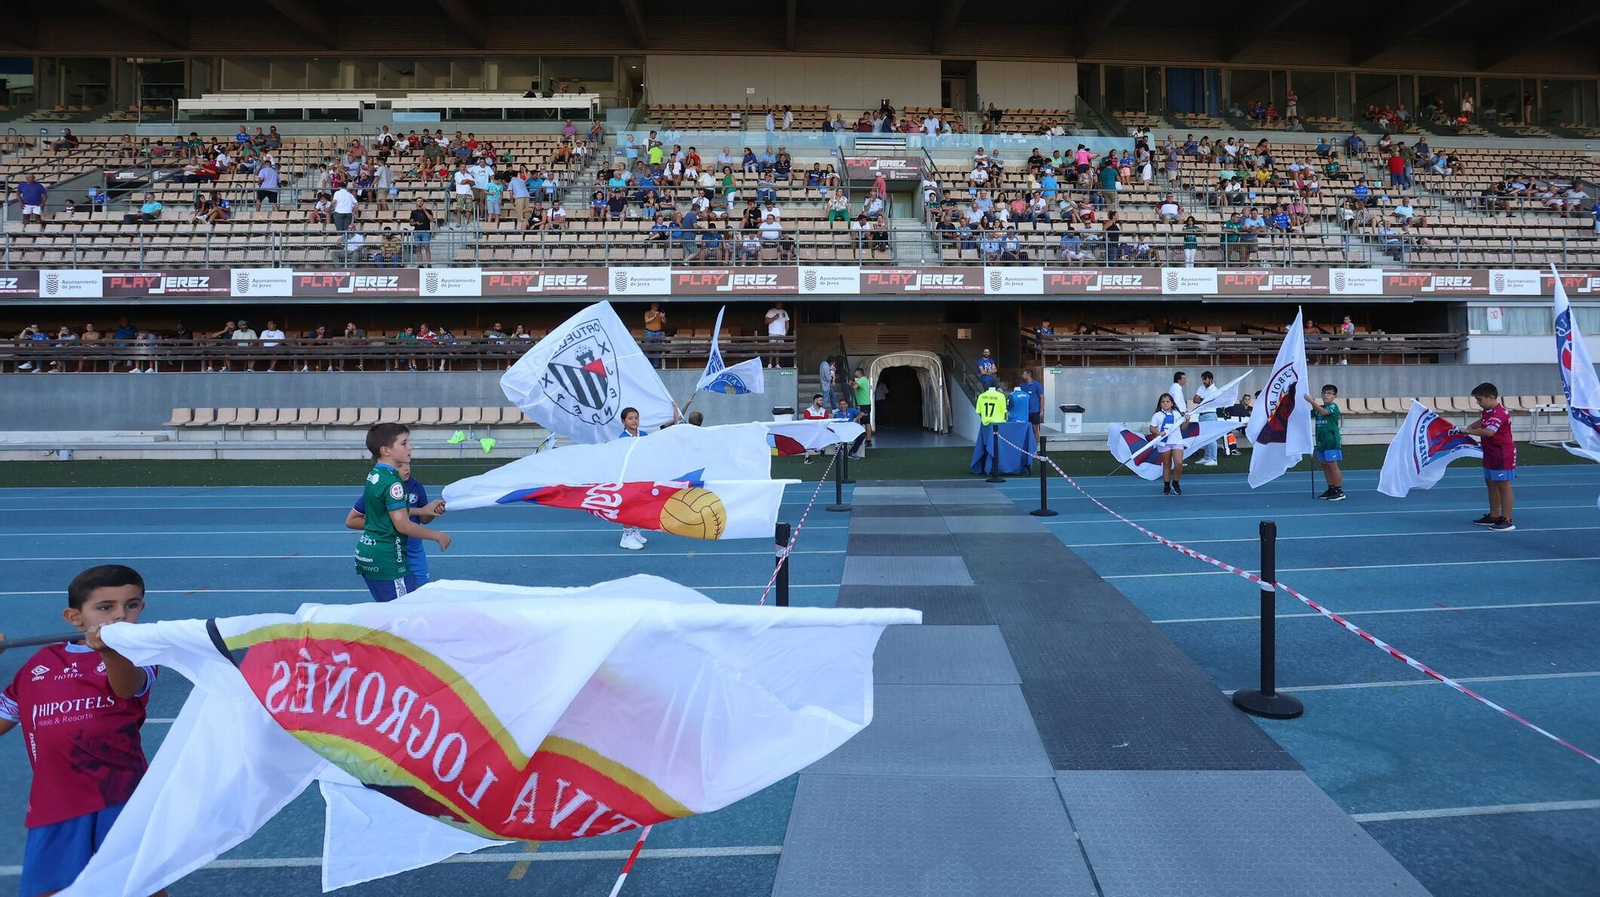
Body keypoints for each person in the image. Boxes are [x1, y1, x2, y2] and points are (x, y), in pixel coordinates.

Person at [0, 565, 159, 897]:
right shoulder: (38, 665)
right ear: (74, 617)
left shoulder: (138, 655)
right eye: (105, 607)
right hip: (54, 801)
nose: (120, 615)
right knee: (49, 890)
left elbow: (127, 688)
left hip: (120, 796)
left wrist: (108, 651)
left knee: (138, 887)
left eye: (131, 605)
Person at [356, 423, 452, 600]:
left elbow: (386, 513)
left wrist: (423, 511)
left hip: (370, 553)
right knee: (403, 610)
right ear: (386, 450)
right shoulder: (393, 483)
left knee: (398, 607)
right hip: (389, 559)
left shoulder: (375, 474)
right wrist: (437, 535)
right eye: (404, 443)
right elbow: (403, 526)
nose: (410, 447)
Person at [346, 459, 445, 585]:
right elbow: (351, 521)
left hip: (414, 550)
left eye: (408, 463)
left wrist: (433, 512)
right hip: (391, 551)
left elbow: (424, 519)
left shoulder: (416, 486)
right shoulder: (379, 487)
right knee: (399, 592)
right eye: (399, 465)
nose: (406, 468)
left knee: (421, 587)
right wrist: (382, 524)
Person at [1464, 382, 1515, 531]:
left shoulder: (1500, 413)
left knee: (1503, 485)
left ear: (1491, 397)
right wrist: (1471, 426)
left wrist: (1469, 431)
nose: (1478, 402)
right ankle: (1493, 515)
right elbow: (1483, 421)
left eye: (1480, 399)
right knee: (1491, 483)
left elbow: (1489, 432)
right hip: (1490, 452)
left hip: (1502, 453)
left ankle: (1506, 519)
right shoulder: (1488, 411)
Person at [617, 408, 650, 549]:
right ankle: (626, 536)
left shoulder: (644, 435)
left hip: (642, 475)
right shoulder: (622, 439)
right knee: (629, 506)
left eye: (636, 418)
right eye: (630, 418)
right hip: (629, 477)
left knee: (639, 505)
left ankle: (634, 530)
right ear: (623, 421)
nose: (634, 421)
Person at [1306, 384, 1346, 500]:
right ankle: (1331, 487)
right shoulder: (1319, 408)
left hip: (1331, 441)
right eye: (1324, 393)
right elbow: (1307, 414)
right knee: (1325, 465)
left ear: (1335, 396)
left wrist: (1312, 402)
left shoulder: (1332, 407)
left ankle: (1339, 490)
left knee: (1332, 464)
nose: (1326, 396)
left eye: (1329, 393)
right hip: (1321, 441)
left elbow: (1324, 412)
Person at [1150, 392, 1189, 495]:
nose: (1165, 403)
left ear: (1172, 403)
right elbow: (1152, 428)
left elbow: (1183, 428)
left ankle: (1175, 482)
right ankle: (1166, 485)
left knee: (1179, 463)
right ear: (1160, 404)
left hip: (1177, 441)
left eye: (1167, 401)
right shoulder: (1157, 415)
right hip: (1164, 443)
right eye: (1163, 402)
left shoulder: (1177, 414)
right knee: (1167, 464)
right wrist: (1158, 433)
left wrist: (1187, 420)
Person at [1191, 370, 1220, 466]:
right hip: (1202, 415)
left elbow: (1210, 402)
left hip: (1210, 414)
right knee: (1204, 437)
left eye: (1205, 379)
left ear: (1211, 379)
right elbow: (1195, 399)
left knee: (1211, 437)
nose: (1203, 381)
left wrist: (1202, 400)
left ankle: (1214, 459)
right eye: (1202, 379)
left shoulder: (1214, 390)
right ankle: (1207, 457)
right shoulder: (1201, 388)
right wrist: (1204, 400)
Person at [1018, 368, 1044, 439]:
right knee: (1025, 429)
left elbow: (1042, 397)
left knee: (1035, 428)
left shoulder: (1037, 385)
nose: (1022, 376)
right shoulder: (1021, 386)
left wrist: (1041, 410)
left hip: (1034, 411)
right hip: (1024, 411)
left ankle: (1035, 445)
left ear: (1028, 375)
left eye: (1023, 374)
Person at [853, 366, 874, 448]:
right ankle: (868, 439)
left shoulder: (862, 379)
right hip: (864, 403)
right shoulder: (865, 380)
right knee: (866, 422)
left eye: (855, 372)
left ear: (859, 373)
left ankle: (868, 440)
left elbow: (854, 387)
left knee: (867, 423)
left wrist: (852, 383)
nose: (854, 373)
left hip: (864, 404)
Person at [764, 302, 790, 367]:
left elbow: (787, 322)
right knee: (771, 348)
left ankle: (777, 364)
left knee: (778, 349)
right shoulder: (771, 311)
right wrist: (774, 318)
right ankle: (770, 364)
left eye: (780, 304)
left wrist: (786, 331)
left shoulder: (784, 312)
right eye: (778, 304)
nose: (779, 305)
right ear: (776, 304)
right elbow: (766, 321)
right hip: (773, 333)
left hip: (781, 334)